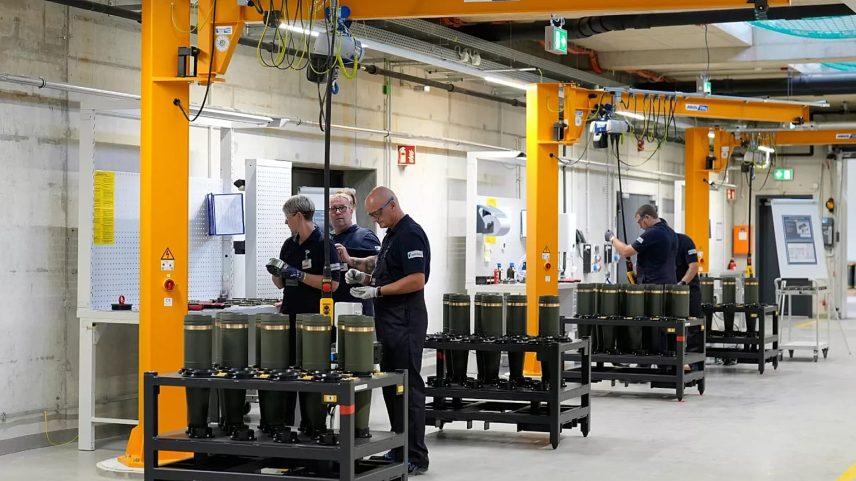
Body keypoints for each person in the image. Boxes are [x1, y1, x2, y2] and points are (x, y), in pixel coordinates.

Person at [341, 186, 430, 476]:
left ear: (392, 205)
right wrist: (365, 277)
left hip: (405, 321)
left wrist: (377, 290)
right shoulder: (392, 235)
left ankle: (416, 454)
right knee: (394, 387)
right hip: (389, 322)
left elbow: (416, 280)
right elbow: (391, 273)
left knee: (409, 387)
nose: (375, 219)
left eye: (377, 213)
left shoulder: (410, 234)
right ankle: (400, 445)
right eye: (371, 215)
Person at [271, 194, 341, 426]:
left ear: (298, 216)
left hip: (315, 322)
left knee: (312, 376)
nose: (286, 223)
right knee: (287, 374)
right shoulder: (289, 245)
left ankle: (313, 427)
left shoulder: (324, 244)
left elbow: (333, 284)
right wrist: (277, 272)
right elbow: (281, 284)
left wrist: (298, 274)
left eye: (287, 218)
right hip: (289, 318)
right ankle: (286, 427)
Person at [606, 204, 678, 356]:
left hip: (654, 288)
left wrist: (612, 238)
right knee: (665, 326)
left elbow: (626, 250)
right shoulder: (671, 233)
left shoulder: (652, 233)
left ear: (647, 217)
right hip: (670, 286)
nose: (639, 226)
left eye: (640, 222)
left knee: (649, 326)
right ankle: (666, 363)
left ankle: (647, 363)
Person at [330, 190, 381, 315]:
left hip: (358, 312)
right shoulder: (328, 241)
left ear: (351, 211)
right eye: (333, 208)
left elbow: (380, 269)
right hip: (332, 310)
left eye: (342, 208)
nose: (337, 212)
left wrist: (349, 259)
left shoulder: (365, 237)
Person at [676, 232, 705, 369]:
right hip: (670, 290)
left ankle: (695, 363)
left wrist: (681, 284)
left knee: (694, 325)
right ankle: (671, 362)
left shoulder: (685, 241)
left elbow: (693, 266)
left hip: (689, 289)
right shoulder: (660, 245)